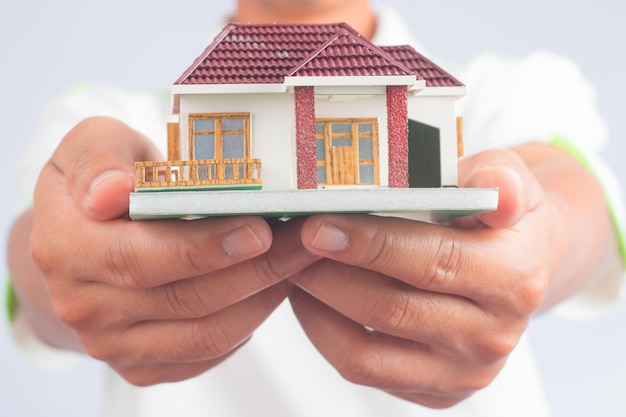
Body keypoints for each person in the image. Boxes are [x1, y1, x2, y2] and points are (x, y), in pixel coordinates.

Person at [6, 0, 625, 415]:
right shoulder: (112, 111)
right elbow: (41, 259)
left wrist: (549, 237)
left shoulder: (506, 88)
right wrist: (67, 267)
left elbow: (567, 193)